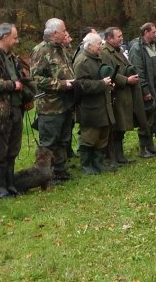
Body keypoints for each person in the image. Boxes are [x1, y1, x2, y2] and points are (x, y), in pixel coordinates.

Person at [0, 23, 33, 199]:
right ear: (4, 37)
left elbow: (20, 78)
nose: (17, 41)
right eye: (14, 37)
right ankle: (0, 187)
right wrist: (12, 85)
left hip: (15, 108)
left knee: (13, 149)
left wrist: (26, 97)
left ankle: (10, 183)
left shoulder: (11, 56)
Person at [30, 18, 78, 183]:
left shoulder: (61, 49)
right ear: (55, 33)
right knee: (49, 142)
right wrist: (62, 84)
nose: (66, 33)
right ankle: (44, 174)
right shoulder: (40, 51)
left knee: (64, 139)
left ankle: (60, 170)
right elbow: (36, 79)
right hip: (50, 106)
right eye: (63, 30)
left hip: (66, 103)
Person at [72, 32, 115, 174]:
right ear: (89, 45)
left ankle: (98, 163)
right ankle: (86, 165)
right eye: (98, 44)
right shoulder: (82, 61)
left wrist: (108, 84)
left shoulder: (98, 58)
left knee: (102, 137)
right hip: (90, 107)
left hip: (103, 105)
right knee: (89, 138)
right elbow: (81, 84)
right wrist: (102, 84)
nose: (101, 46)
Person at [128, 22, 156, 154]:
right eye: (153, 32)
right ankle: (144, 148)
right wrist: (145, 90)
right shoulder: (137, 48)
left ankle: (151, 146)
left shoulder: (154, 45)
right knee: (147, 119)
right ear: (145, 32)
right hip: (148, 89)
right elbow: (138, 71)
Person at [101, 27, 140, 165]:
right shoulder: (105, 53)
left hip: (124, 93)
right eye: (118, 36)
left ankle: (119, 155)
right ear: (109, 38)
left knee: (121, 127)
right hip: (115, 94)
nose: (121, 38)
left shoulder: (118, 50)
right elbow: (109, 73)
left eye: (122, 35)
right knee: (115, 127)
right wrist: (126, 80)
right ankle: (111, 157)